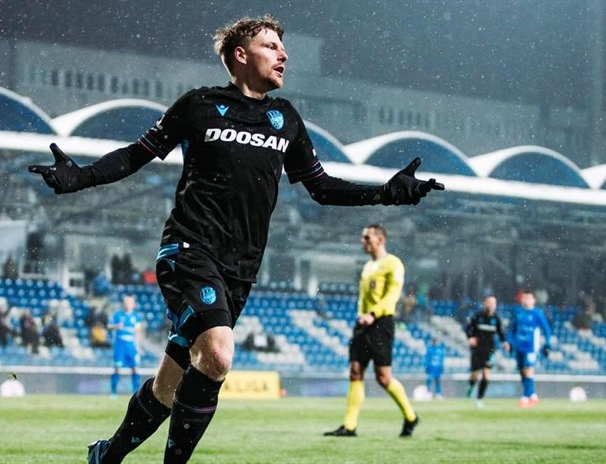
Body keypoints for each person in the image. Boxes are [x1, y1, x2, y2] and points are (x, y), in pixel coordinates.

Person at [29, 14, 443, 464]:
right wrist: (81, 177)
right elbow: (136, 154)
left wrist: (387, 192)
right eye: (271, 46)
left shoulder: (285, 119)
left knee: (168, 386)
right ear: (240, 55)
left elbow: (322, 187)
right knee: (218, 356)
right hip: (189, 250)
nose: (283, 55)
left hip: (240, 270)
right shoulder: (199, 105)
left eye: (282, 47)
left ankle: (106, 456)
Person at [324, 224, 419, 438]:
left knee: (383, 378)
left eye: (367, 237)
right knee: (355, 371)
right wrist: (361, 317)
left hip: (381, 323)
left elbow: (392, 296)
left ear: (380, 239)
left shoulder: (393, 263)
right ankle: (349, 426)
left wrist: (373, 314)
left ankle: (411, 416)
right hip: (363, 323)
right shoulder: (368, 266)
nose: (363, 241)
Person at [507, 289, 552, 408]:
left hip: (531, 347)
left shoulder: (537, 313)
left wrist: (547, 344)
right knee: (522, 372)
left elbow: (547, 330)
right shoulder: (518, 312)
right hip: (519, 346)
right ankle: (532, 395)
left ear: (533, 300)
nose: (526, 300)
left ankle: (525, 397)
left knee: (528, 370)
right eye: (524, 298)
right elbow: (511, 329)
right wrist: (509, 341)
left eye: (529, 298)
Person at [464, 295, 509, 408]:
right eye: (489, 302)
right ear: (485, 303)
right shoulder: (477, 316)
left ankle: (479, 398)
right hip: (477, 349)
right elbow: (467, 327)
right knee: (474, 374)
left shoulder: (496, 319)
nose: (491, 305)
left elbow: (501, 333)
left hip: (489, 350)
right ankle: (471, 385)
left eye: (493, 303)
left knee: (486, 374)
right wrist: (470, 337)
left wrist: (505, 342)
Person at [108, 294, 144, 398]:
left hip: (131, 346)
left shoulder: (136, 317)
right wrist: (116, 326)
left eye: (130, 302)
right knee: (117, 368)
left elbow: (138, 332)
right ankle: (113, 392)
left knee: (134, 368)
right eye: (126, 302)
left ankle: (136, 393)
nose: (128, 304)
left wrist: (138, 346)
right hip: (120, 345)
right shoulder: (118, 315)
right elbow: (109, 326)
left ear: (133, 304)